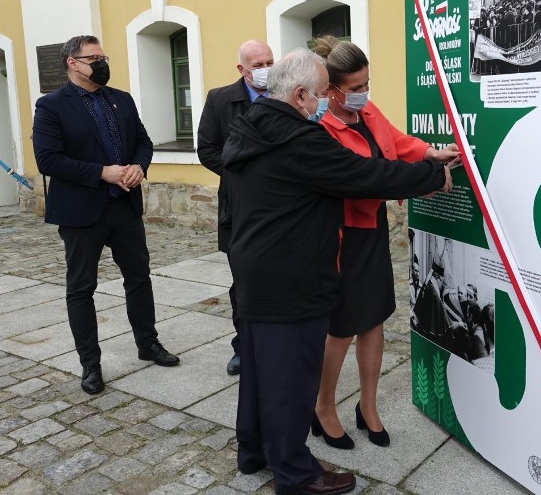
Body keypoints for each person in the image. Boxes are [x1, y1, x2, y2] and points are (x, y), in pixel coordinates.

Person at [223, 48, 450, 494]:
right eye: (322, 92)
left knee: (258, 369)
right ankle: (296, 472)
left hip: (253, 267)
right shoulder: (300, 139)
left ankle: (253, 452)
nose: (326, 100)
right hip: (292, 276)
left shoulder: (251, 125)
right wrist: (429, 176)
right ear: (302, 94)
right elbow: (364, 176)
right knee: (291, 376)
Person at [311, 36, 460, 449]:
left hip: (371, 228)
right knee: (341, 328)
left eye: (366, 84)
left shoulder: (367, 109)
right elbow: (366, 178)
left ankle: (368, 407)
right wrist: (425, 179)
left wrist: (431, 153)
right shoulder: (320, 128)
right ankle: (323, 407)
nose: (364, 94)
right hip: (340, 237)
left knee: (373, 319)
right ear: (330, 91)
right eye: (355, 88)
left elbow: (395, 141)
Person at [32, 35, 180, 396]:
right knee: (82, 289)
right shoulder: (52, 105)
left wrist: (138, 167)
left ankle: (148, 343)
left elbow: (143, 141)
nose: (101, 62)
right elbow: (48, 160)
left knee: (139, 279)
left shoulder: (121, 100)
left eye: (103, 56)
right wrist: (102, 172)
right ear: (73, 62)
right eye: (93, 57)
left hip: (125, 206)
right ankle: (90, 363)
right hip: (82, 213)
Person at [197, 39, 274, 376]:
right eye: (258, 64)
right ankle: (243, 347)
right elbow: (207, 149)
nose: (265, 69)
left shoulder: (288, 94)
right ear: (242, 70)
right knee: (243, 282)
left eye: (270, 61)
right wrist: (244, 173)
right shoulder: (220, 99)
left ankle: (275, 343)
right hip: (239, 207)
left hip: (281, 207)